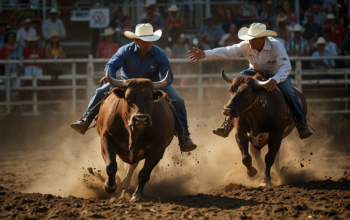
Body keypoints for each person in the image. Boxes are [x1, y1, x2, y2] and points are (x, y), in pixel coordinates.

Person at [71, 23, 197, 152]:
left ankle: (184, 136)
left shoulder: (159, 54)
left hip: (151, 85)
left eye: (151, 40)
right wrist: (109, 76)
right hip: (127, 84)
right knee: (100, 91)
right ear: (136, 40)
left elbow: (167, 75)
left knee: (178, 101)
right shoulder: (125, 51)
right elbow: (111, 65)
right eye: (145, 41)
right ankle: (85, 119)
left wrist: (160, 85)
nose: (149, 44)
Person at [188, 23, 313, 139]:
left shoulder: (276, 46)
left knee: (290, 93)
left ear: (263, 38)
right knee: (237, 85)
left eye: (253, 39)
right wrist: (205, 54)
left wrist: (275, 79)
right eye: (249, 38)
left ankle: (301, 123)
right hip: (254, 71)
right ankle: (227, 123)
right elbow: (227, 51)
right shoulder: (246, 45)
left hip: (276, 73)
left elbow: (286, 67)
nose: (250, 41)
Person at [0, 32, 23, 102]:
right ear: (7, 38)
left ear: (14, 38)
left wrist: (20, 69)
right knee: (6, 88)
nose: (11, 38)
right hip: (5, 70)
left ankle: (15, 107)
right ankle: (8, 107)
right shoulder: (3, 46)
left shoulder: (18, 47)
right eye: (10, 37)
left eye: (12, 37)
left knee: (16, 88)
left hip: (16, 70)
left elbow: (21, 59)